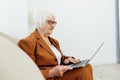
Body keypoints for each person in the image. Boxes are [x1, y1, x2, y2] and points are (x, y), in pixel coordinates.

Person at [18, 10, 93, 80]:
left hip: (60, 72)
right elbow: (27, 71)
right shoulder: (28, 42)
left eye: (54, 23)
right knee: (82, 71)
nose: (53, 26)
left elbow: (55, 57)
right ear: (40, 22)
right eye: (50, 22)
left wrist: (65, 59)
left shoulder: (54, 41)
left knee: (88, 66)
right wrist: (50, 72)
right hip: (49, 77)